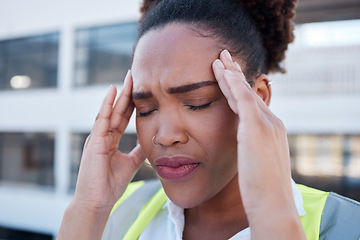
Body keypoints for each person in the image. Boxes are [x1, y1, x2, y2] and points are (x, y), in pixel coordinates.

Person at [57, 0, 360, 239]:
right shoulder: (119, 210)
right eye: (145, 109)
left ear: (259, 99)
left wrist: (273, 215)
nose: (164, 136)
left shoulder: (346, 227)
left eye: (197, 103)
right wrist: (88, 210)